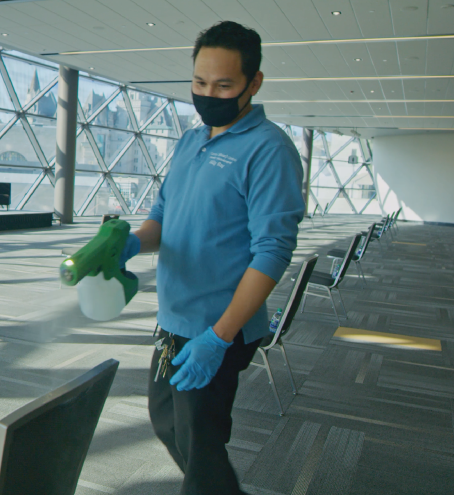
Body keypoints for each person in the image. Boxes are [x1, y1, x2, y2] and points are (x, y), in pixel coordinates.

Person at [120, 21, 305, 494]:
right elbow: (163, 215)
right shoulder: (189, 141)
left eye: (223, 85)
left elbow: (273, 250)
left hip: (216, 327)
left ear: (253, 83)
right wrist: (134, 242)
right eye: (200, 83)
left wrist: (219, 338)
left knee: (201, 447)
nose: (208, 95)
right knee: (167, 425)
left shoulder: (269, 150)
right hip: (173, 320)